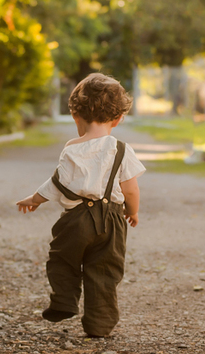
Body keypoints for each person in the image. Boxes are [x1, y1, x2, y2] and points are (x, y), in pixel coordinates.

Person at [16, 73, 145, 337]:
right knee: (105, 271)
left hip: (75, 220)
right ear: (119, 119)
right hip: (112, 221)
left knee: (62, 259)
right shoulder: (122, 149)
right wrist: (131, 212)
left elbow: (57, 182)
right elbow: (130, 188)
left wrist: (35, 199)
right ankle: (100, 323)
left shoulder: (71, 149)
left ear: (76, 115)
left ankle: (64, 301)